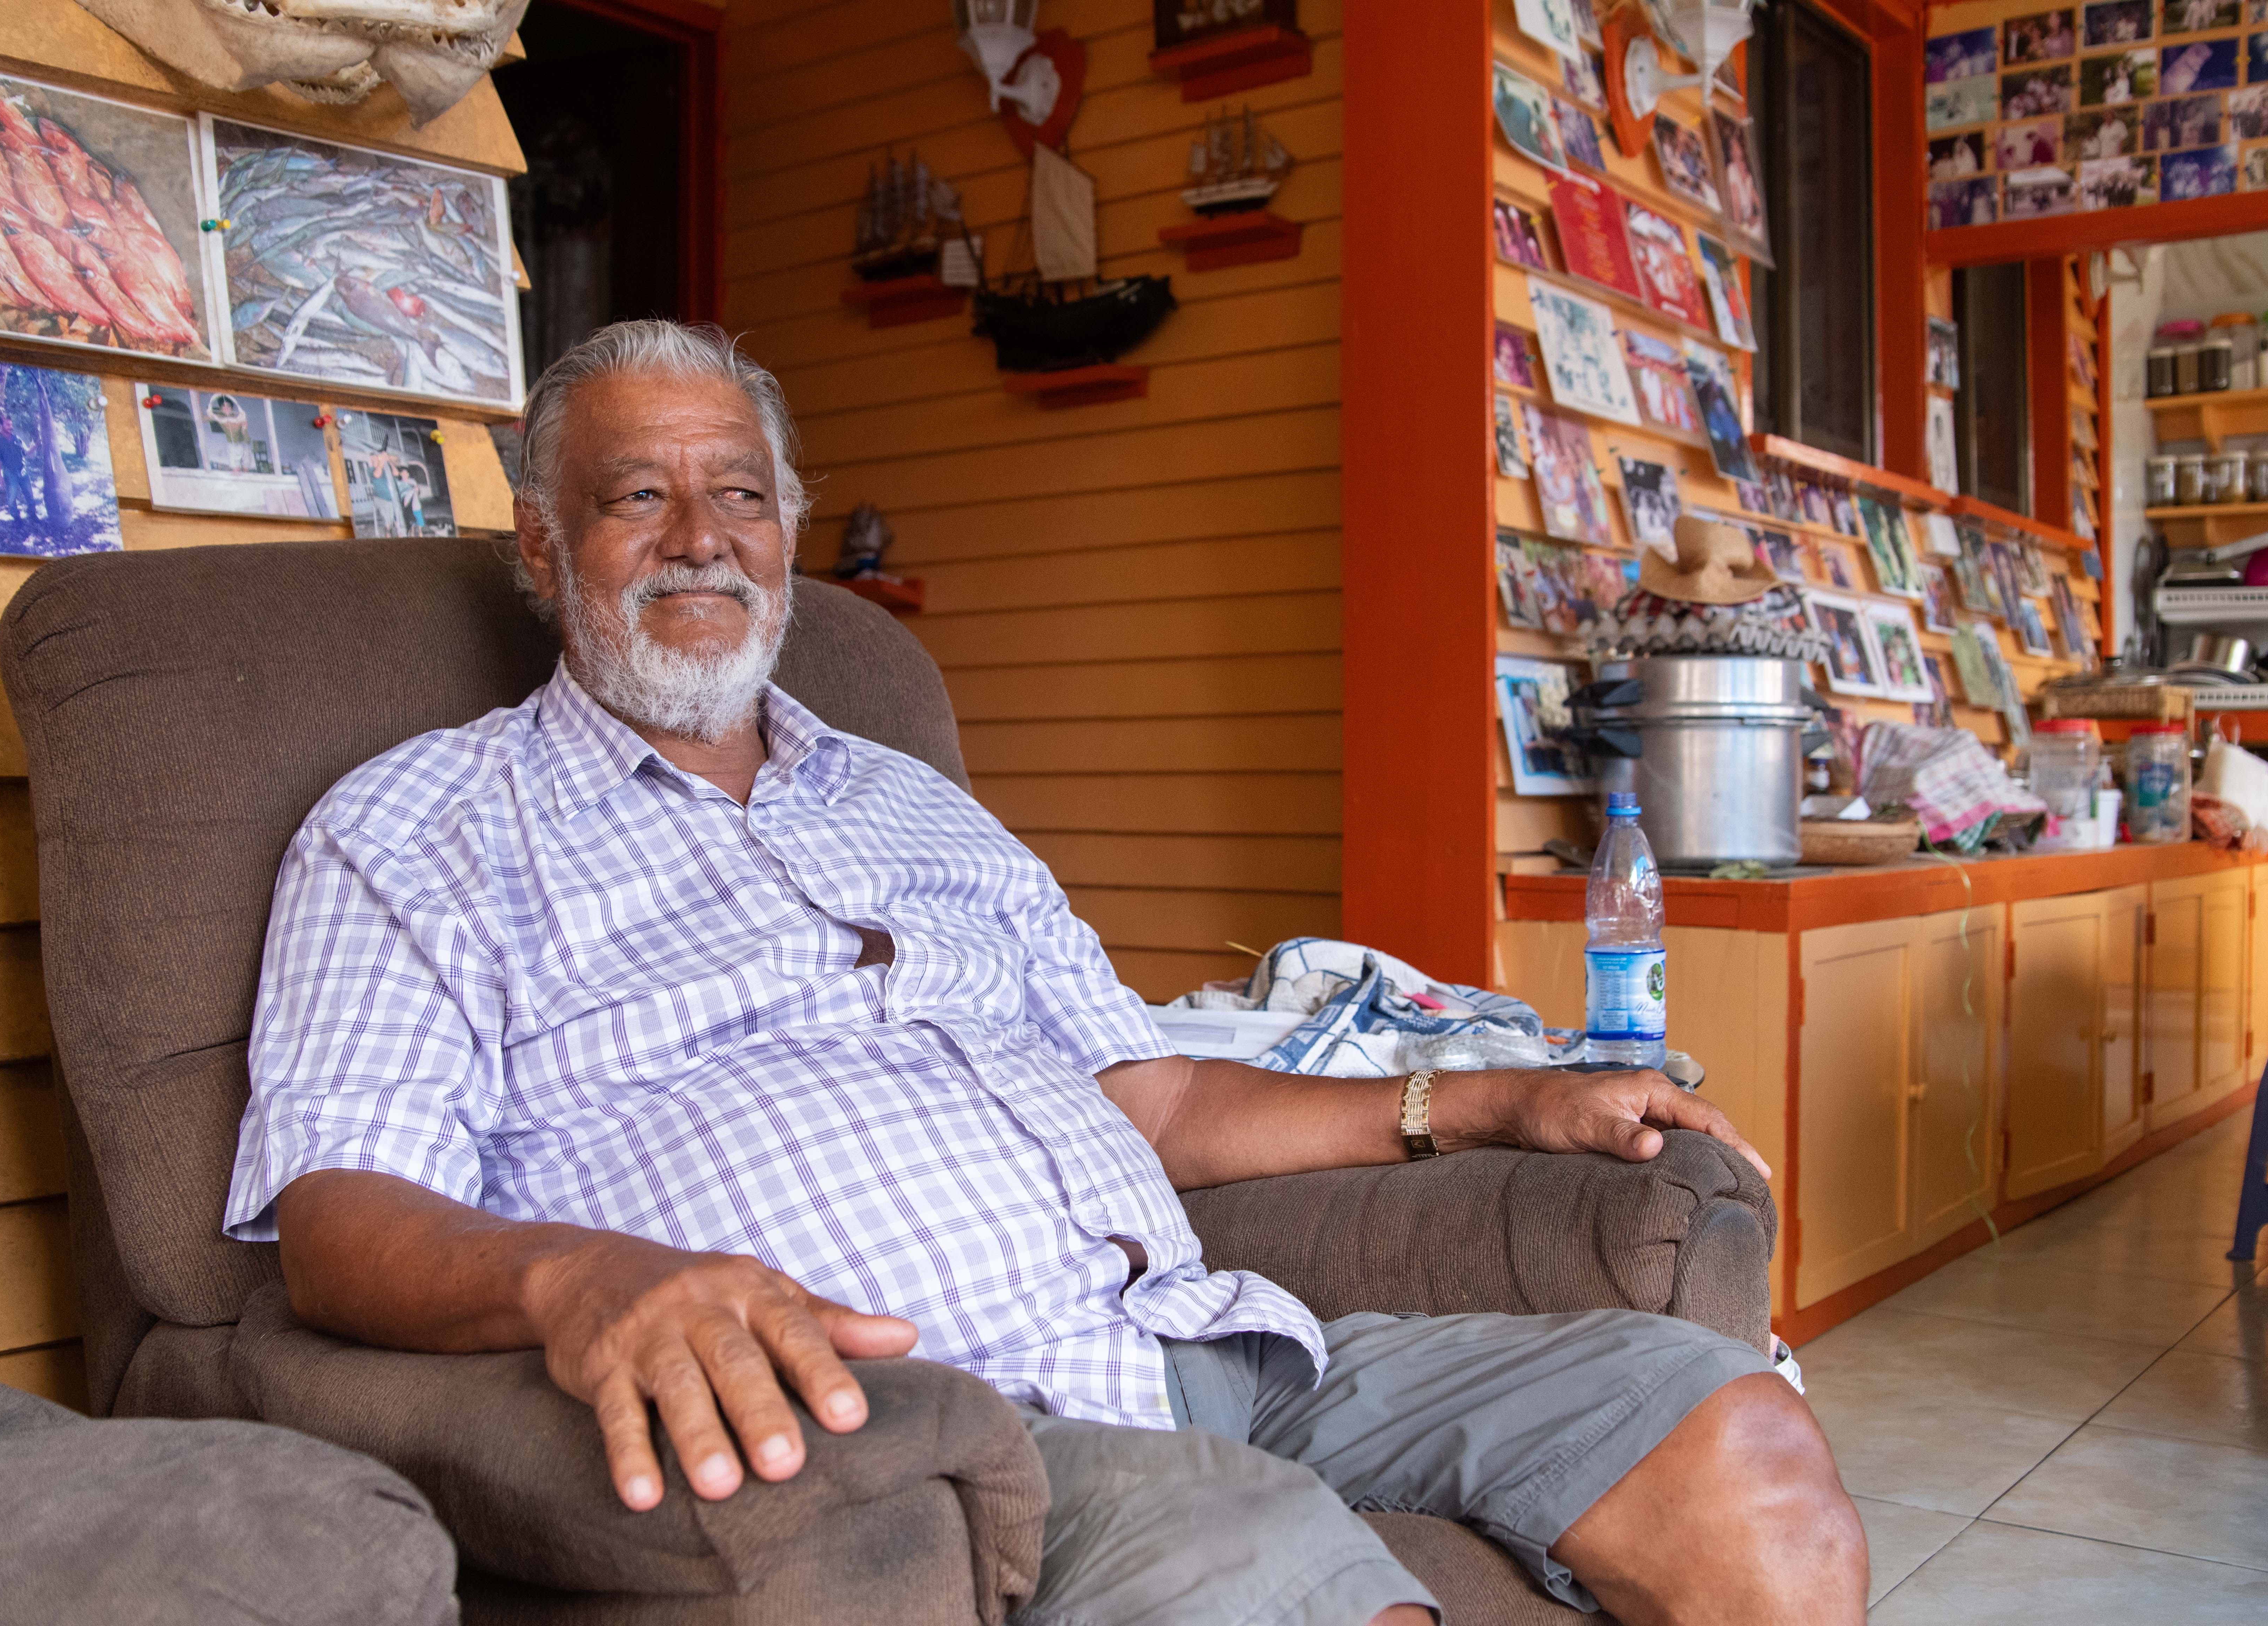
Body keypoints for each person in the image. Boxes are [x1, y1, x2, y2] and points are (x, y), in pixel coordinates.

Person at [229, 320, 1867, 1626]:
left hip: (1209, 1339)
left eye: (738, 493)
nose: (698, 540)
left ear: (788, 530)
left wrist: (1508, 1095)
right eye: (633, 495)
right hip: (952, 1423)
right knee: (1271, 1571)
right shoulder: (417, 829)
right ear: (538, 547)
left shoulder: (908, 799)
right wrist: (577, 1281)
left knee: (1732, 1434)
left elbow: (1151, 1091)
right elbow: (336, 1211)